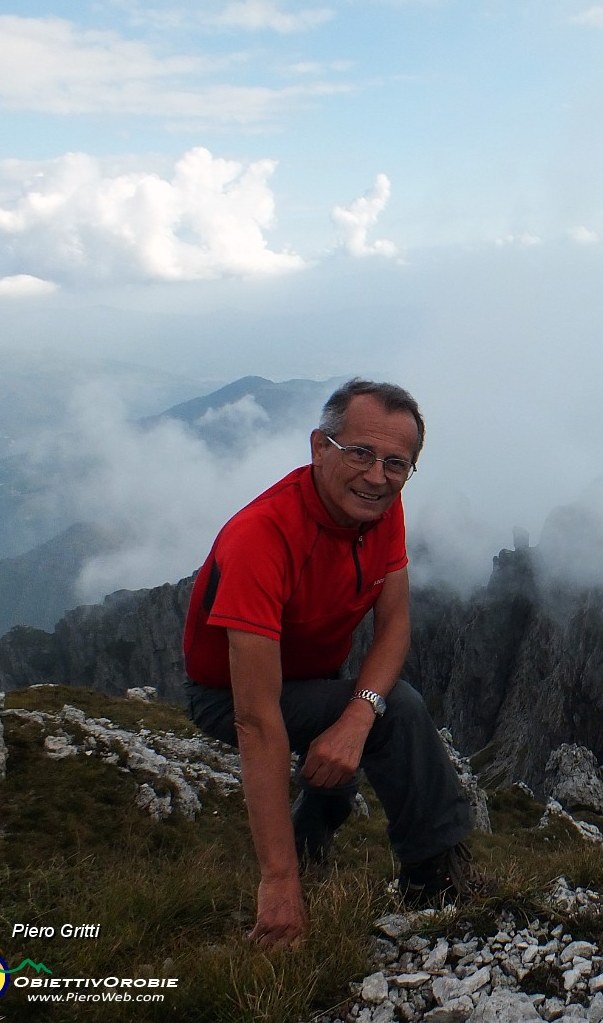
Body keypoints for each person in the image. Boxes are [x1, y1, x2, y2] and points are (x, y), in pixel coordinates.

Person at [182, 378, 476, 947]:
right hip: (228, 695)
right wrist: (278, 885)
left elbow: (393, 627)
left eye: (396, 462)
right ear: (320, 447)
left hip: (315, 679)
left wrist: (354, 718)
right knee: (402, 711)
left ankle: (311, 842)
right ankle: (438, 878)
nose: (376, 475)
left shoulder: (379, 509)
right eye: (360, 452)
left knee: (344, 758)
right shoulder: (261, 538)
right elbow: (257, 720)